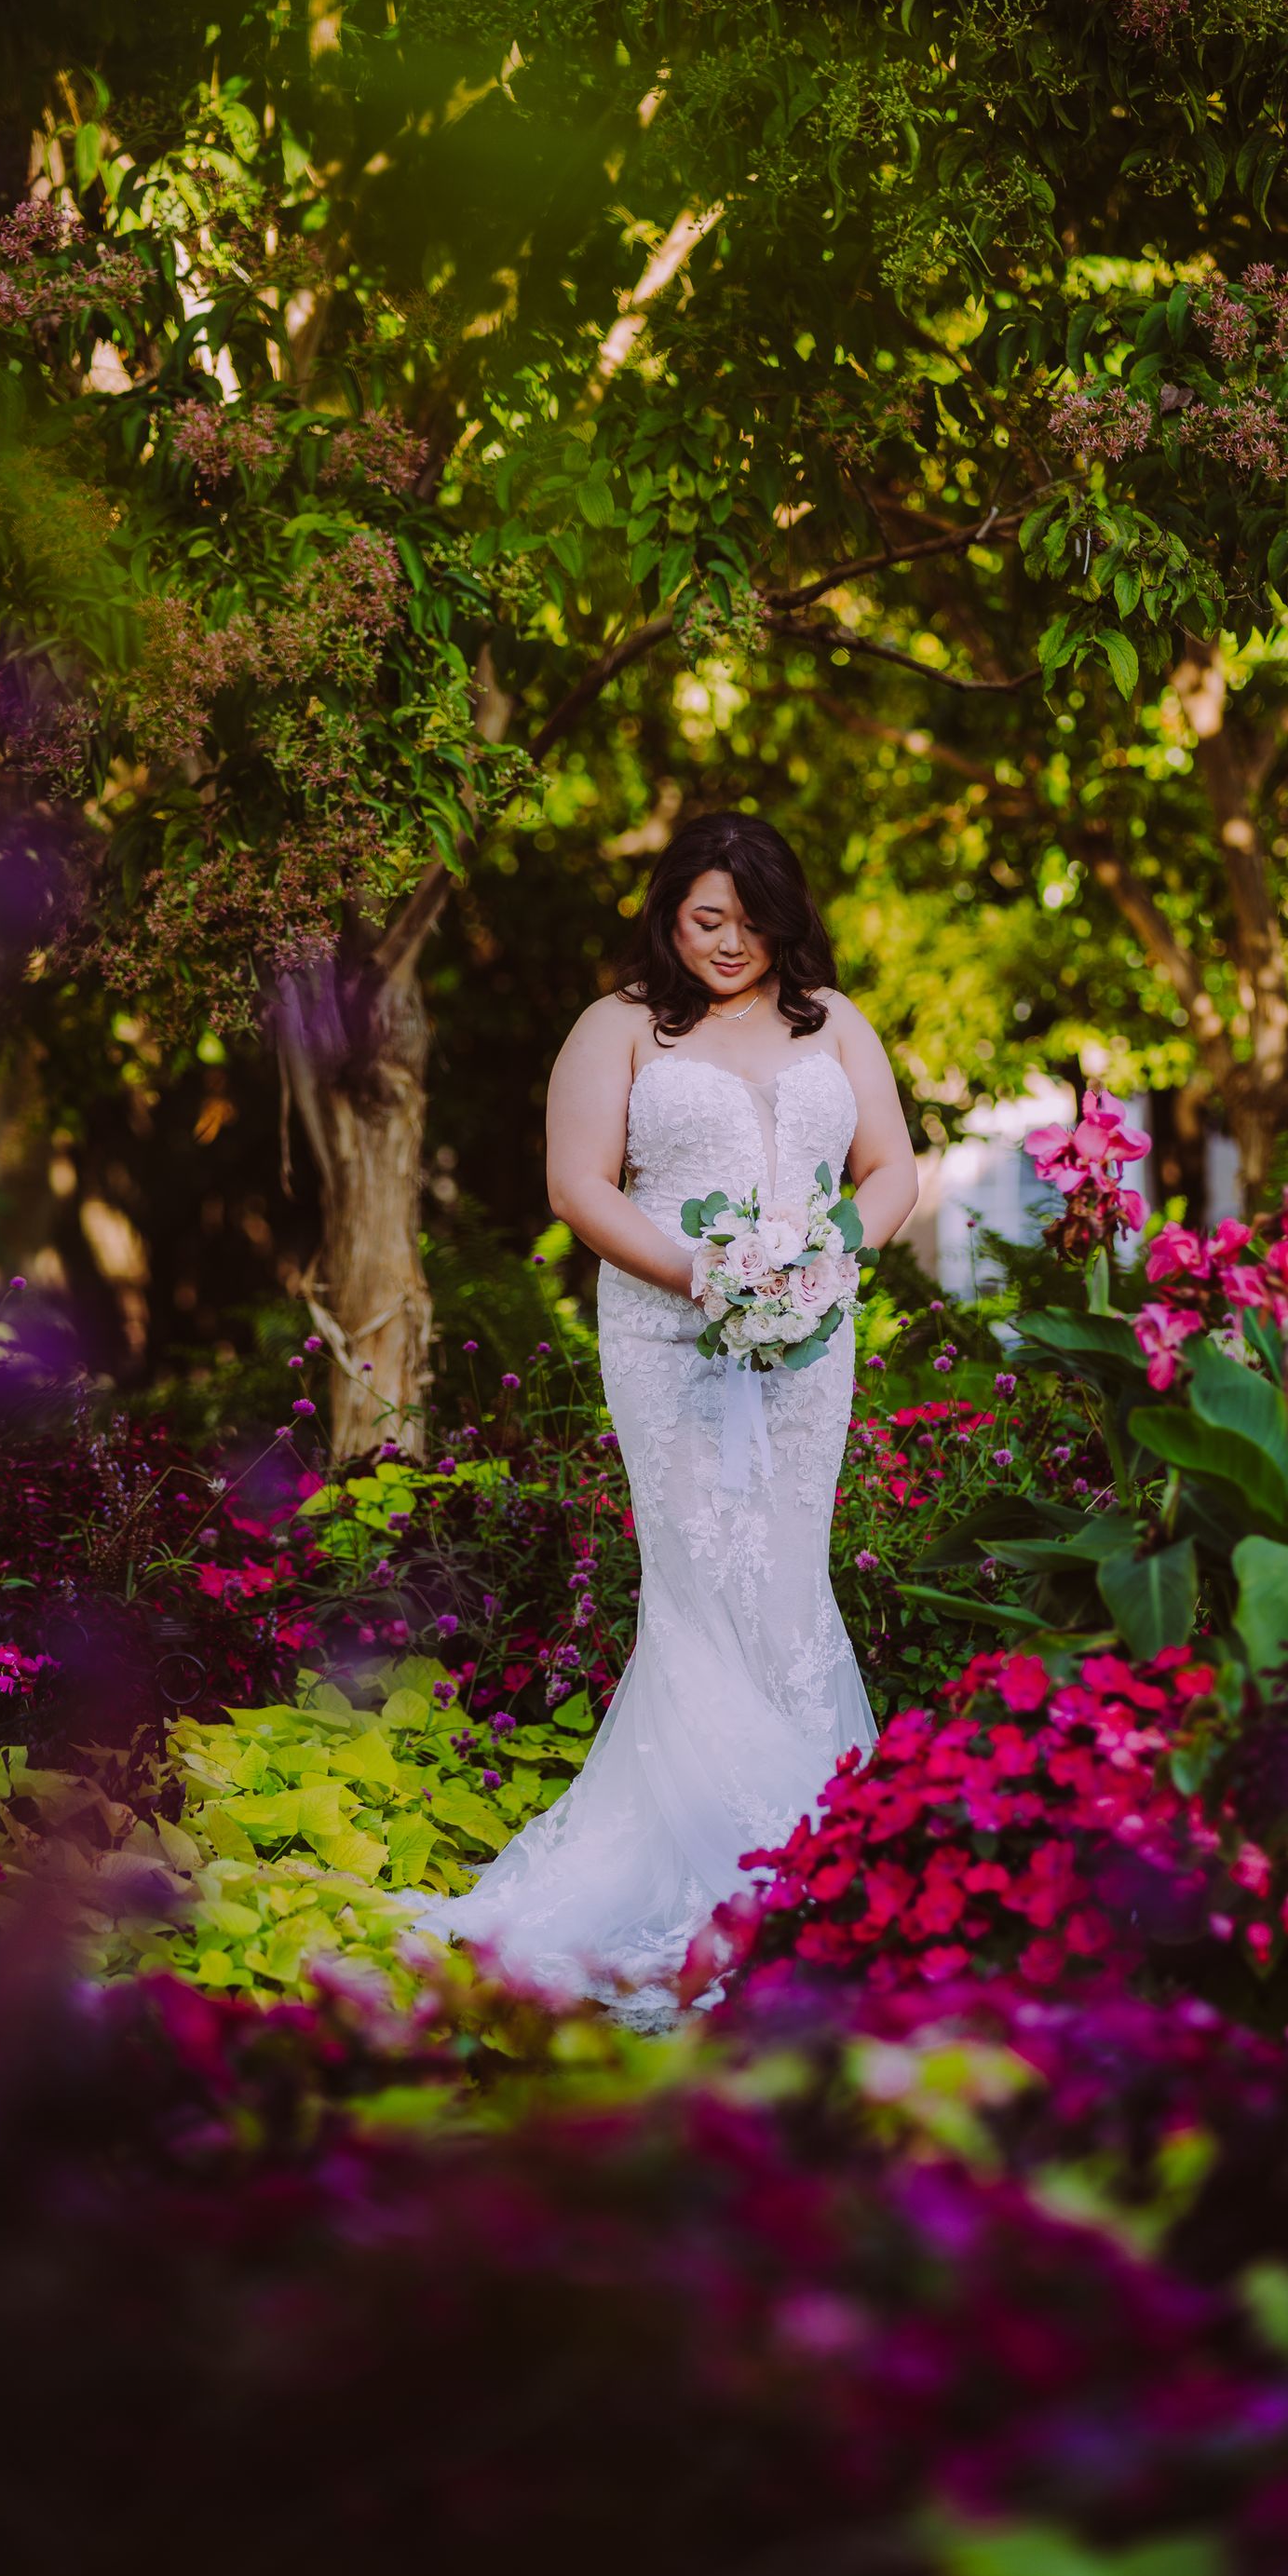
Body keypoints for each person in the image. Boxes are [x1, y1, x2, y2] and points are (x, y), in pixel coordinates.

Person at [402, 809, 918, 2022]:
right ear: (669, 914)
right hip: (666, 1334)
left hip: (809, 1341)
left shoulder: (836, 1023)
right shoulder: (620, 1026)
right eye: (705, 920)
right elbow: (577, 1185)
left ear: (786, 918)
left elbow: (892, 1168)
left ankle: (807, 1849)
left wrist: (826, 1257)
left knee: (785, 1576)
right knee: (698, 1579)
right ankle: (727, 1867)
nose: (729, 942)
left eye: (750, 922)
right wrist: (709, 1274)